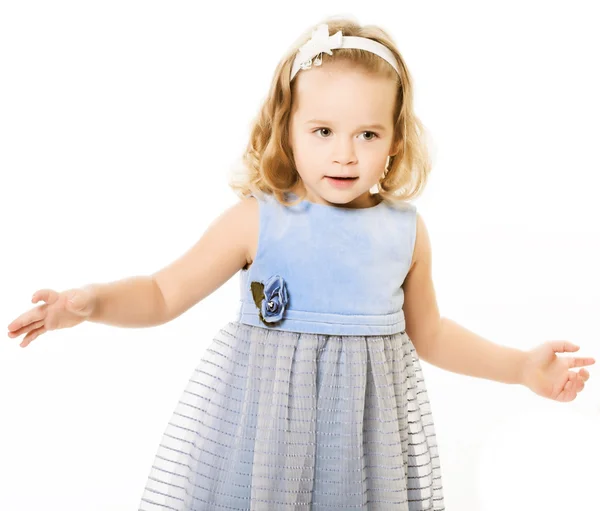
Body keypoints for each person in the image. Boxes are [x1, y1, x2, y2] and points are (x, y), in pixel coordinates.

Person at [6, 16, 595, 511]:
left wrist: (520, 366)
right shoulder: (257, 219)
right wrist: (91, 302)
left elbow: (432, 333)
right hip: (264, 443)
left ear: (394, 141)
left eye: (367, 133)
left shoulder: (404, 232)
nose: (344, 152)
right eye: (322, 130)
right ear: (287, 131)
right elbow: (163, 294)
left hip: (361, 451)